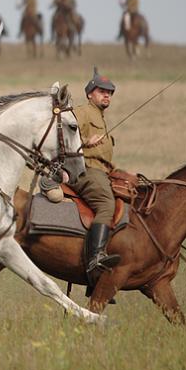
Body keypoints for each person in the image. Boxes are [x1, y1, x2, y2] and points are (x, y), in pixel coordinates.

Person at [71, 69, 122, 285]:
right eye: (102, 91)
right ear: (90, 93)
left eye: (109, 92)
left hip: (103, 172)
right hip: (86, 169)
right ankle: (96, 258)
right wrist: (84, 142)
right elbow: (65, 136)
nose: (107, 95)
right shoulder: (82, 111)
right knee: (106, 204)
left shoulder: (100, 117)